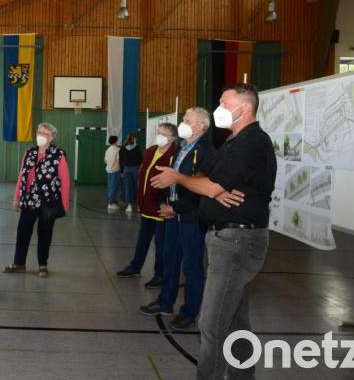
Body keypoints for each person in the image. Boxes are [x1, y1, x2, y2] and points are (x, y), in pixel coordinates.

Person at [150, 84, 276, 380]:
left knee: (212, 322)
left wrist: (180, 178)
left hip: (238, 240)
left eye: (224, 102)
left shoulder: (252, 142)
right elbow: (208, 177)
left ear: (244, 108)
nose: (219, 106)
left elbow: (207, 182)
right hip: (226, 239)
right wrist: (213, 190)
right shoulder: (233, 141)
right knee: (235, 321)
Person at [139, 107, 214, 333]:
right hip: (172, 215)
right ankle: (165, 302)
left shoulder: (206, 152)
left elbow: (198, 187)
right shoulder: (182, 148)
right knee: (170, 260)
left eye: (187, 120)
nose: (182, 123)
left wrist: (175, 207)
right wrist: (164, 202)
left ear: (200, 126)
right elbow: (170, 178)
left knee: (191, 267)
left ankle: (189, 312)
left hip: (191, 218)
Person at [3, 123, 70, 278]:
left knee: (45, 234)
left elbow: (65, 180)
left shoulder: (58, 155)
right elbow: (22, 176)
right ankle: (19, 264)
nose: (41, 135)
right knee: (22, 233)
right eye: (39, 132)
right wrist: (16, 198)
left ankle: (42, 265)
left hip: (49, 202)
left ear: (52, 137)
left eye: (45, 133)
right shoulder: (29, 153)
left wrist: (65, 202)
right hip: (29, 201)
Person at [115, 123, 177, 289]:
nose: (159, 135)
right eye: (158, 132)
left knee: (161, 244)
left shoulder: (174, 155)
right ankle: (135, 266)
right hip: (146, 206)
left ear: (172, 138)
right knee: (142, 239)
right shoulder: (150, 151)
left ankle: (160, 274)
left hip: (161, 208)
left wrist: (164, 202)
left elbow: (174, 183)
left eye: (163, 133)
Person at [119, 133, 142, 213]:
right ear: (134, 139)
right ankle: (139, 205)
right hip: (136, 168)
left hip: (126, 169)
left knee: (128, 187)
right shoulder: (137, 147)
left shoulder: (122, 148)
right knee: (138, 187)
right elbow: (140, 159)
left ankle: (129, 206)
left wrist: (121, 171)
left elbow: (121, 161)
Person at [104, 135, 121, 210]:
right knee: (113, 187)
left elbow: (105, 160)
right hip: (115, 170)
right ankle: (110, 204)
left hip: (109, 170)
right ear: (115, 141)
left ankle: (113, 201)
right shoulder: (118, 150)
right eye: (117, 140)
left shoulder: (108, 150)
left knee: (110, 186)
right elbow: (119, 161)